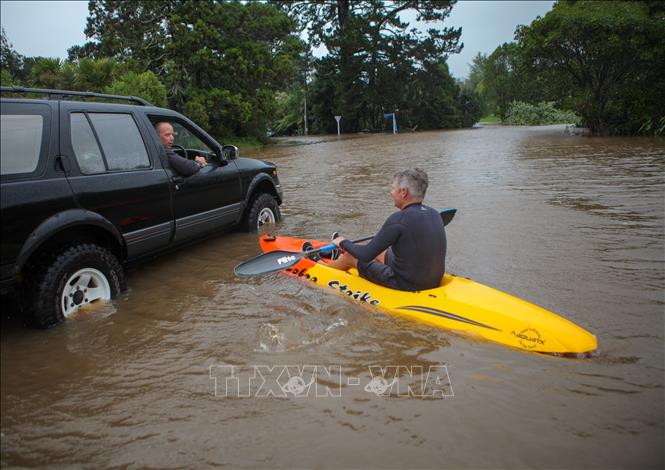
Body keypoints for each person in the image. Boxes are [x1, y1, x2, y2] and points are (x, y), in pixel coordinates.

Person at [327, 168, 446, 291]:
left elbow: (366, 255)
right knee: (379, 251)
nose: (391, 192)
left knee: (350, 256)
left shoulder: (399, 219)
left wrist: (342, 242)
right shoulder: (434, 214)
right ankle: (339, 257)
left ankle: (322, 268)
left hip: (404, 284)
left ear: (403, 192)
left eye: (393, 188)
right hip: (433, 281)